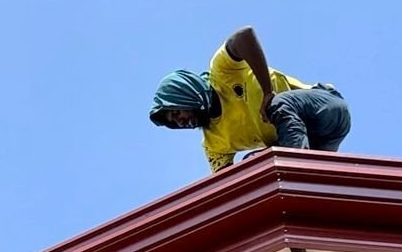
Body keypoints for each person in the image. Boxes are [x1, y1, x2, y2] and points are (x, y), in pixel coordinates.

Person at [150, 25, 351, 175]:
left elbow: (244, 36)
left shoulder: (222, 72)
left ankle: (295, 169)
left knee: (277, 104)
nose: (180, 121)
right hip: (313, 140)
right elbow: (225, 183)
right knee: (253, 163)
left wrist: (267, 93)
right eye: (174, 122)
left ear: (186, 93)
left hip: (326, 109)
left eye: (176, 112)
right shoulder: (214, 145)